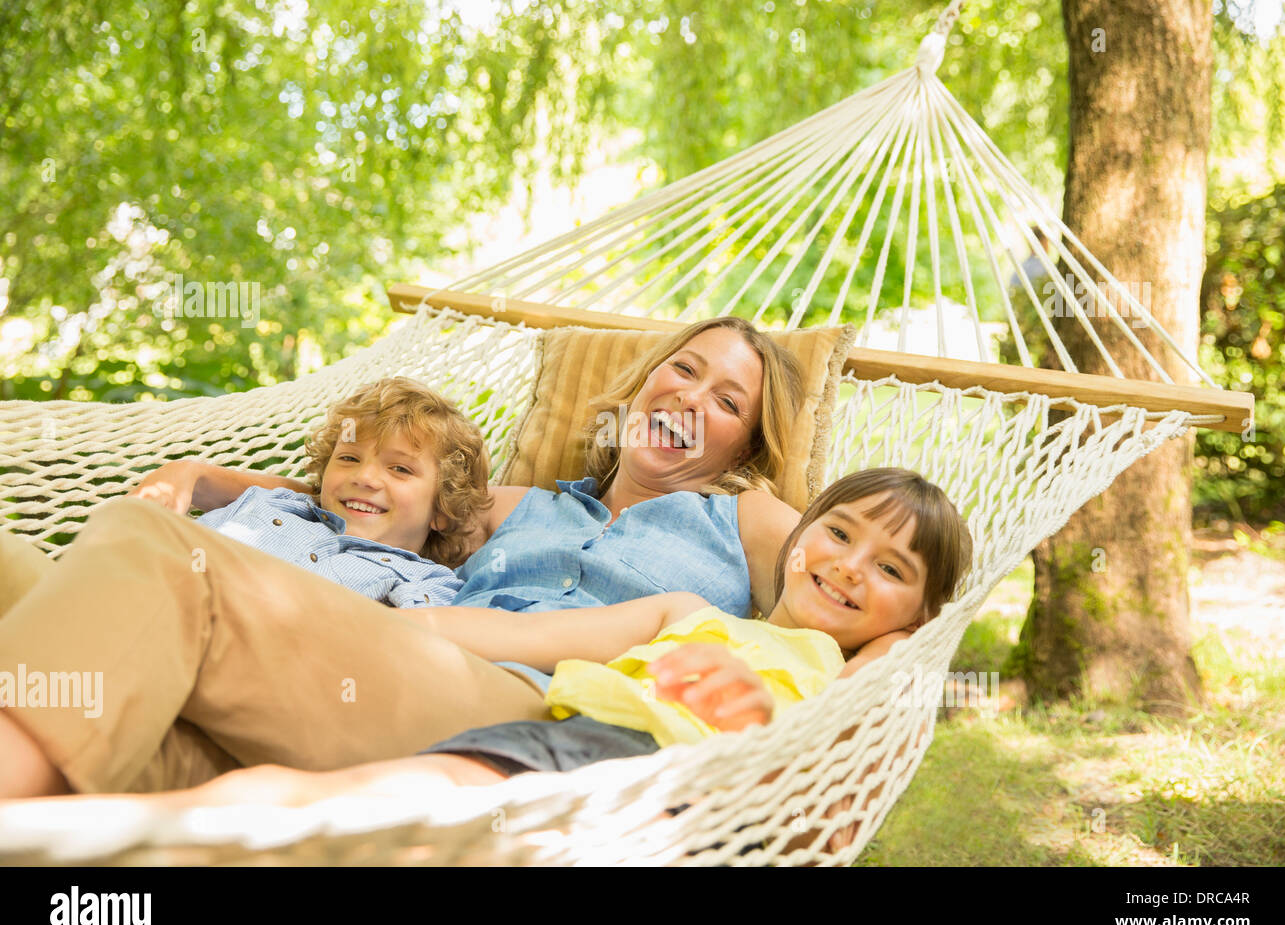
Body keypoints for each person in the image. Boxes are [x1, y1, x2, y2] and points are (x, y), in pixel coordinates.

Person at [0, 317, 810, 798]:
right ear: (646, 381)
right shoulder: (526, 502)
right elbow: (367, 494)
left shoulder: (750, 521)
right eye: (684, 369)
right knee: (18, 569)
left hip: (525, 720)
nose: (691, 397)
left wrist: (884, 695)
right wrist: (201, 479)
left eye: (728, 400)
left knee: (162, 560)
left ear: (749, 437)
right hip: (383, 671)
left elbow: (867, 582)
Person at [79, 467, 973, 810]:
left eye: (894, 570)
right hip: (557, 731)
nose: (854, 568)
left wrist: (915, 638)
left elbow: (897, 673)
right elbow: (545, 632)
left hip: (665, 783)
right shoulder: (684, 613)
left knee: (363, 807)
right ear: (808, 533)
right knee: (315, 799)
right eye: (843, 535)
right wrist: (388, 622)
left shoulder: (859, 662)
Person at [192, 376, 489, 608]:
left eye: (400, 469)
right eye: (349, 458)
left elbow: (413, 645)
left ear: (441, 510)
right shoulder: (273, 503)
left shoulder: (426, 580)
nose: (364, 477)